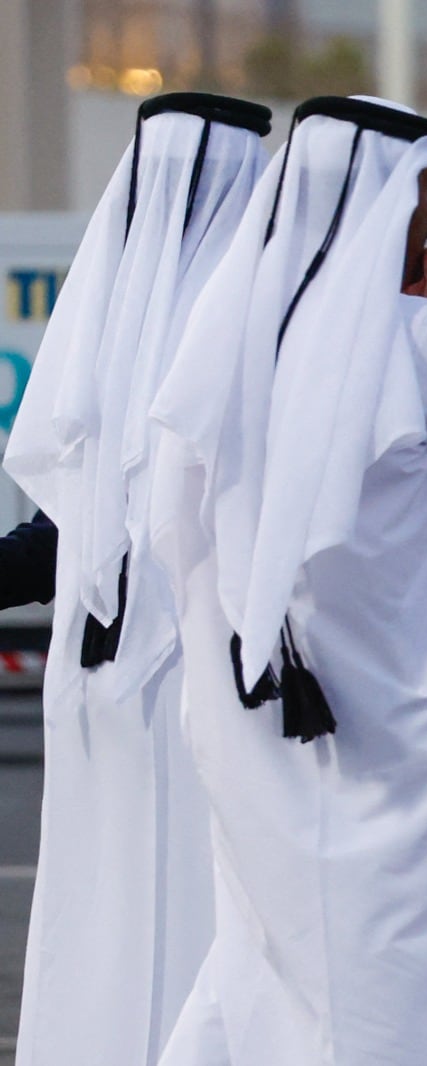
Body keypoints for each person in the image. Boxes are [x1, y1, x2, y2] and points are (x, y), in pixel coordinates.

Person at [144, 95, 427, 1065]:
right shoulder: (414, 340)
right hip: (411, 738)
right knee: (418, 988)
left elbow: (175, 536)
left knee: (269, 971)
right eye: (422, 189)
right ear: (375, 200)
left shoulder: (223, 341)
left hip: (262, 727)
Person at [0, 92, 271, 1066]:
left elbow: (58, 534)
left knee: (112, 909)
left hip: (106, 688)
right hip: (201, 688)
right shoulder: (248, 326)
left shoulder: (110, 332)